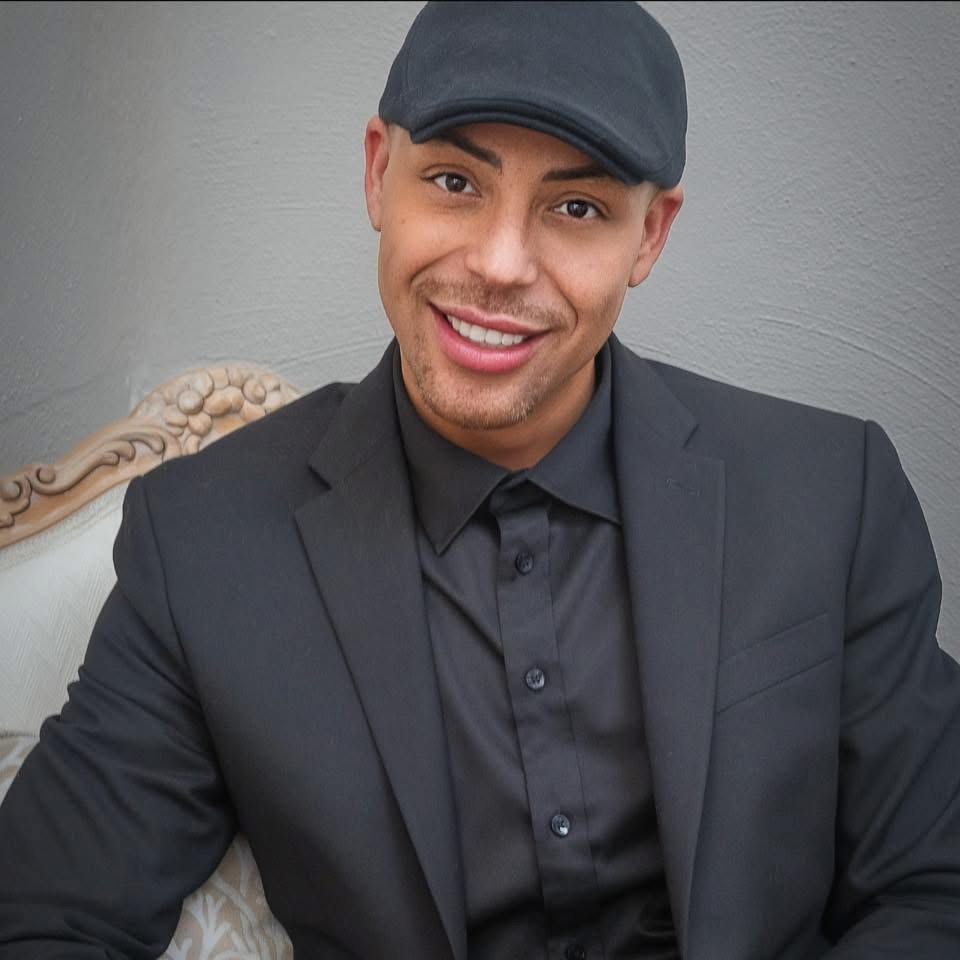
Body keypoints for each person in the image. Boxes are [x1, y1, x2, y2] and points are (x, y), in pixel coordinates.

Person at [2, 2, 959, 958]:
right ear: (381, 173)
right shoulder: (206, 542)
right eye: (455, 181)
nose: (500, 265)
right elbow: (44, 917)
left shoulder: (832, 494)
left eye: (576, 207)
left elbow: (935, 881)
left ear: (650, 235)